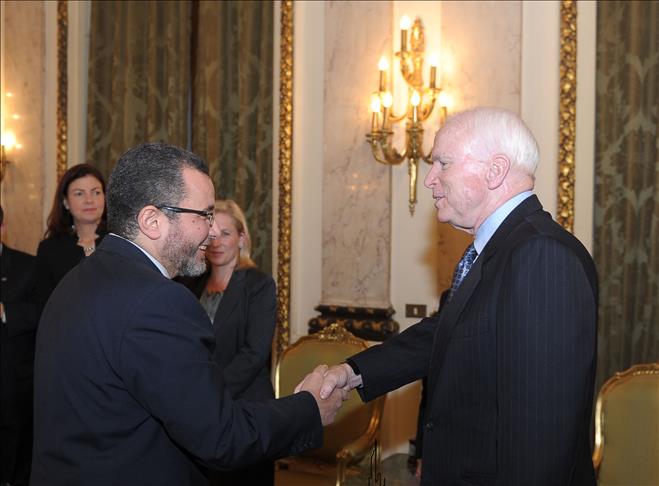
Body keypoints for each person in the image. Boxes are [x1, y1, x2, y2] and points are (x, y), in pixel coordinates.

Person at [305, 107, 599, 485]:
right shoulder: (502, 248)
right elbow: (445, 332)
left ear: (495, 170)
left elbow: (541, 434)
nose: (430, 179)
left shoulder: (541, 255)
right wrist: (352, 373)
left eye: (443, 163)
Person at [31, 142, 347, 486]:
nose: (212, 232)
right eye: (204, 215)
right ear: (152, 221)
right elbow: (222, 438)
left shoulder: (76, 280)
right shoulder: (157, 301)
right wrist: (309, 408)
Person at [182, 199, 277, 486]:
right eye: (212, 233)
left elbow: (254, 353)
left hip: (246, 409)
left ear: (241, 238)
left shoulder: (259, 285)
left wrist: (211, 391)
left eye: (226, 233)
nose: (217, 241)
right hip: (199, 410)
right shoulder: (191, 285)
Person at [35, 163, 106, 314]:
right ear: (66, 202)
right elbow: (43, 307)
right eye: (79, 194)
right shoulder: (50, 249)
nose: (89, 200)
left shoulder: (124, 239)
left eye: (96, 192)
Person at [0, 206, 37, 486]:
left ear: (2, 228)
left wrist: (4, 311)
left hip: (13, 383)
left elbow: (44, 311)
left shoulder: (28, 265)